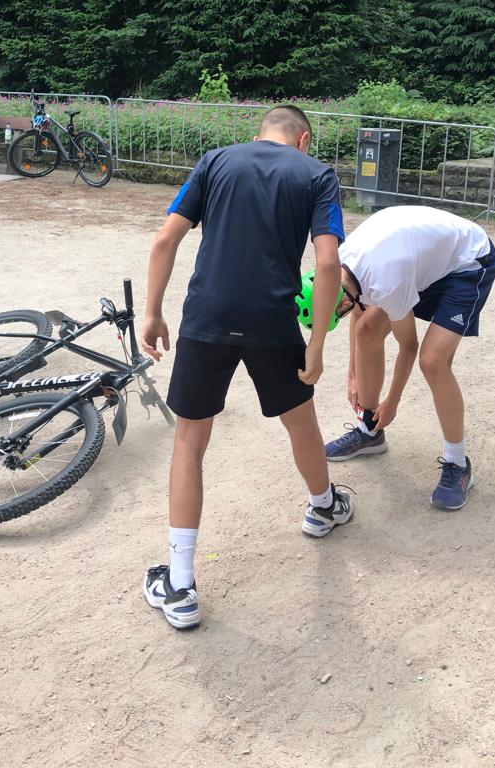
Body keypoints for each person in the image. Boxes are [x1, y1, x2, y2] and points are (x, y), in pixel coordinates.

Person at [140, 105, 352, 630]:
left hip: (206, 316)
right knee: (299, 421)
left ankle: (181, 585)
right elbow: (328, 263)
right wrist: (317, 343)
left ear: (260, 133)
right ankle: (323, 506)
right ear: (303, 139)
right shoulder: (317, 175)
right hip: (272, 321)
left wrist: (153, 311)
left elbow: (165, 239)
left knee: (190, 440)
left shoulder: (215, 161)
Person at [324, 205, 495, 512]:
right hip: (423, 264)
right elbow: (359, 313)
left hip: (469, 261)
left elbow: (408, 346)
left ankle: (458, 463)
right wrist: (351, 374)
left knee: (433, 361)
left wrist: (392, 402)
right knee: (367, 330)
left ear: (340, 301)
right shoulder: (341, 269)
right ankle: (370, 429)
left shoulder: (387, 280)